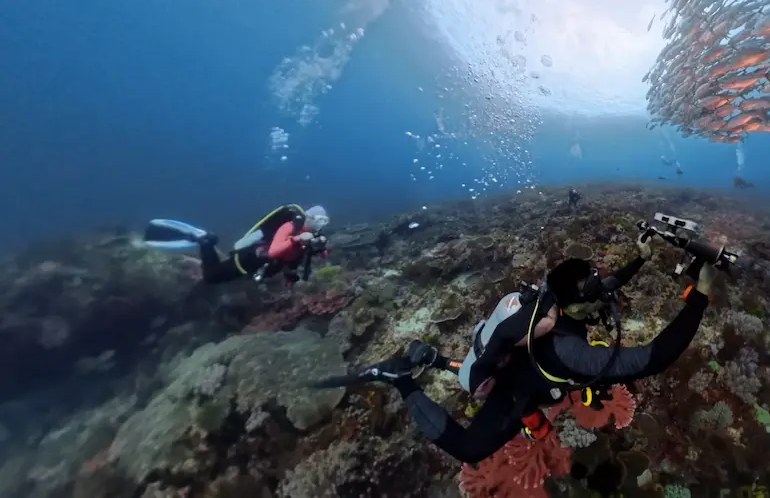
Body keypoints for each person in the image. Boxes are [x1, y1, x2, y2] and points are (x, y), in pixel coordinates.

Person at [314, 233, 723, 463]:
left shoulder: (556, 301)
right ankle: (402, 381)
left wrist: (641, 256)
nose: (604, 287)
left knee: (506, 390)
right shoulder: (571, 352)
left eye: (597, 277)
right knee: (470, 449)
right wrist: (700, 296)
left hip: (520, 363)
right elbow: (654, 357)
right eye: (594, 286)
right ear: (575, 304)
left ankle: (436, 359)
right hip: (517, 387)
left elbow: (606, 285)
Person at [142, 204, 331, 284]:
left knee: (218, 267)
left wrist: (319, 249)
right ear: (309, 217)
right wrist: (297, 239)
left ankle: (199, 250)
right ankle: (204, 240)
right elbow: (274, 252)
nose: (320, 225)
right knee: (211, 277)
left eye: (325, 222)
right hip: (247, 260)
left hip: (252, 265)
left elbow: (291, 260)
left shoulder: (306, 238)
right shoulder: (291, 227)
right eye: (319, 220)